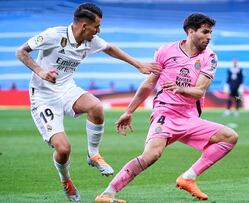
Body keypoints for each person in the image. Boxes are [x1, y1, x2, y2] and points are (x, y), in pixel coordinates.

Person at [15, 3, 162, 202]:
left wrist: (138, 64)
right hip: (43, 96)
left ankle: (93, 155)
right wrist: (40, 71)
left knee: (96, 106)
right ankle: (65, 179)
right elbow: (21, 51)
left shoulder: (89, 40)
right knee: (64, 149)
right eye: (97, 26)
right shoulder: (53, 35)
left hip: (66, 89)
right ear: (84, 26)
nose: (99, 30)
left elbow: (109, 48)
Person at [95, 13, 239, 203]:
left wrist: (180, 88)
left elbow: (200, 91)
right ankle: (108, 193)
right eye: (205, 32)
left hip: (190, 118)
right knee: (151, 155)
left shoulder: (210, 57)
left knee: (229, 137)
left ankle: (188, 177)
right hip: (166, 114)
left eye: (210, 32)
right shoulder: (165, 51)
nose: (209, 37)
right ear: (191, 31)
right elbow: (149, 84)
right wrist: (129, 111)